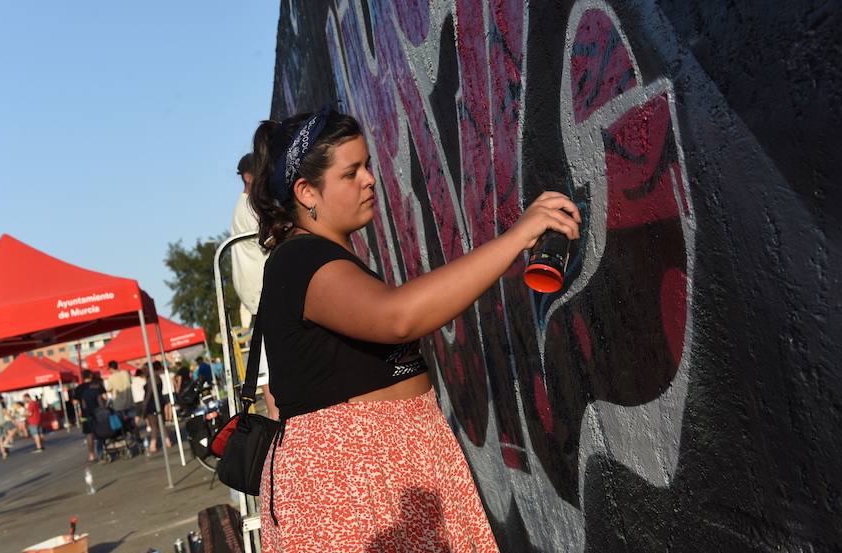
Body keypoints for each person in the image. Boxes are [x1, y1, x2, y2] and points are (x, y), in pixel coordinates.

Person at [247, 108, 581, 552]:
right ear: (307, 191)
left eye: (367, 165)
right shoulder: (299, 260)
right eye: (351, 173)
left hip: (388, 478)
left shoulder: (323, 260)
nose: (370, 179)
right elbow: (397, 317)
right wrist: (518, 237)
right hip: (352, 489)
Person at [231, 153, 277, 418]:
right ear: (250, 176)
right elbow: (269, 239)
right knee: (271, 365)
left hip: (257, 293)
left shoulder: (247, 205)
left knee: (269, 363)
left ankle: (276, 417)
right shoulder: (250, 206)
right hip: (260, 292)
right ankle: (277, 418)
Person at [73, 370, 105, 460]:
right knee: (100, 432)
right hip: (99, 413)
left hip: (85, 414)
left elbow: (74, 402)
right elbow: (104, 397)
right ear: (91, 376)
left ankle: (91, 455)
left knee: (89, 434)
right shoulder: (97, 385)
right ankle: (101, 452)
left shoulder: (79, 388)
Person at [143, 360, 172, 453]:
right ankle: (167, 441)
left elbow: (149, 394)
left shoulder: (152, 378)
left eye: (145, 369)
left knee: (154, 425)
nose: (144, 371)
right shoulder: (157, 377)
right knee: (160, 424)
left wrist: (144, 405)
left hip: (152, 403)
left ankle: (153, 444)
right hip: (159, 401)